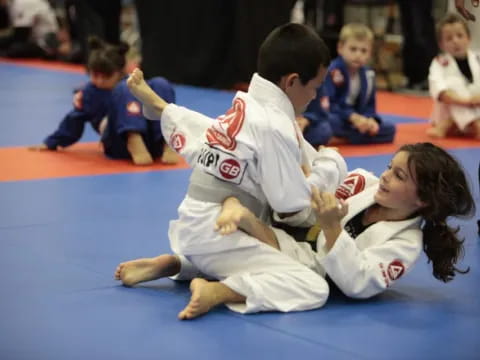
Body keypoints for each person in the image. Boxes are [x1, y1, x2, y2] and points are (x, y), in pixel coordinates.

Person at [115, 23, 348, 319]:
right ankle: (217, 292)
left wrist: (162, 106)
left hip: (195, 223)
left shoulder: (245, 105)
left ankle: (178, 264)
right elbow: (290, 202)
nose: (315, 96)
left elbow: (200, 130)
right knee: (312, 285)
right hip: (218, 231)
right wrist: (331, 165)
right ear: (291, 82)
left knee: (246, 251)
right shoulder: (273, 124)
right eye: (315, 87)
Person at [211, 142, 475, 306]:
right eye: (389, 166)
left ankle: (207, 279)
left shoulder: (404, 246)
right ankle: (234, 224)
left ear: (423, 200)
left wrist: (332, 228)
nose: (384, 176)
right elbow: (307, 201)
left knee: (310, 288)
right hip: (289, 228)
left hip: (307, 263)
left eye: (399, 176)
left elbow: (358, 284)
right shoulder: (363, 183)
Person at [29, 36, 180, 165]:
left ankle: (167, 142)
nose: (100, 81)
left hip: (153, 143)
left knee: (160, 83)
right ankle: (133, 138)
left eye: (106, 76)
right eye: (95, 75)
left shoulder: (130, 81)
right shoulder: (89, 93)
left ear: (120, 72)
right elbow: (74, 120)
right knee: (124, 88)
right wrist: (51, 142)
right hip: (119, 144)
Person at [323, 23, 396, 145]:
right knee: (327, 123)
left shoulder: (368, 74)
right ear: (340, 48)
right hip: (339, 116)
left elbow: (370, 106)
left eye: (363, 50)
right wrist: (352, 117)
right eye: (353, 49)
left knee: (390, 129)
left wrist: (370, 120)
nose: (358, 54)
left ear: (369, 53)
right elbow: (330, 104)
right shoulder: (333, 71)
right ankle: (355, 135)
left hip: (358, 120)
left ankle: (348, 136)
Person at [427, 13, 480, 139]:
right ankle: (475, 124)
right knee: (453, 83)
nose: (455, 41)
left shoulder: (478, 58)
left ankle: (447, 124)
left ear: (469, 38)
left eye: (460, 36)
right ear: (441, 44)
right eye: (449, 38)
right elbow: (440, 92)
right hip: (450, 107)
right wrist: (466, 101)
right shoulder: (439, 63)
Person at [296, 84, 333, 148]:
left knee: (324, 129)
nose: (314, 96)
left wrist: (307, 119)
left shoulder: (317, 81)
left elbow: (320, 112)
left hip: (307, 123)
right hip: (286, 120)